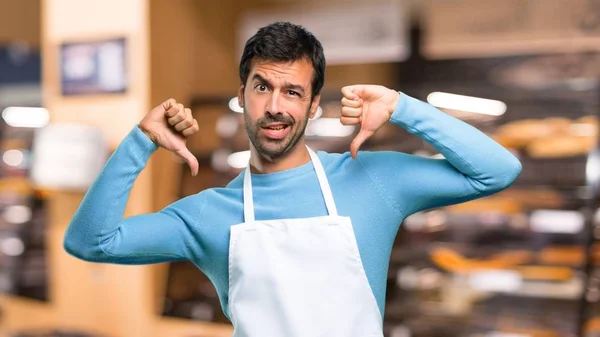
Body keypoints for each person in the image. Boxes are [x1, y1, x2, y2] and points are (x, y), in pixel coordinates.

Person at [64, 22, 522, 336]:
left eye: (293, 91)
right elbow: (90, 243)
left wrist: (403, 107)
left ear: (313, 105)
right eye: (262, 87)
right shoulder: (206, 214)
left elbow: (498, 171)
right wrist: (140, 141)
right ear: (242, 95)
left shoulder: (373, 179)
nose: (276, 106)